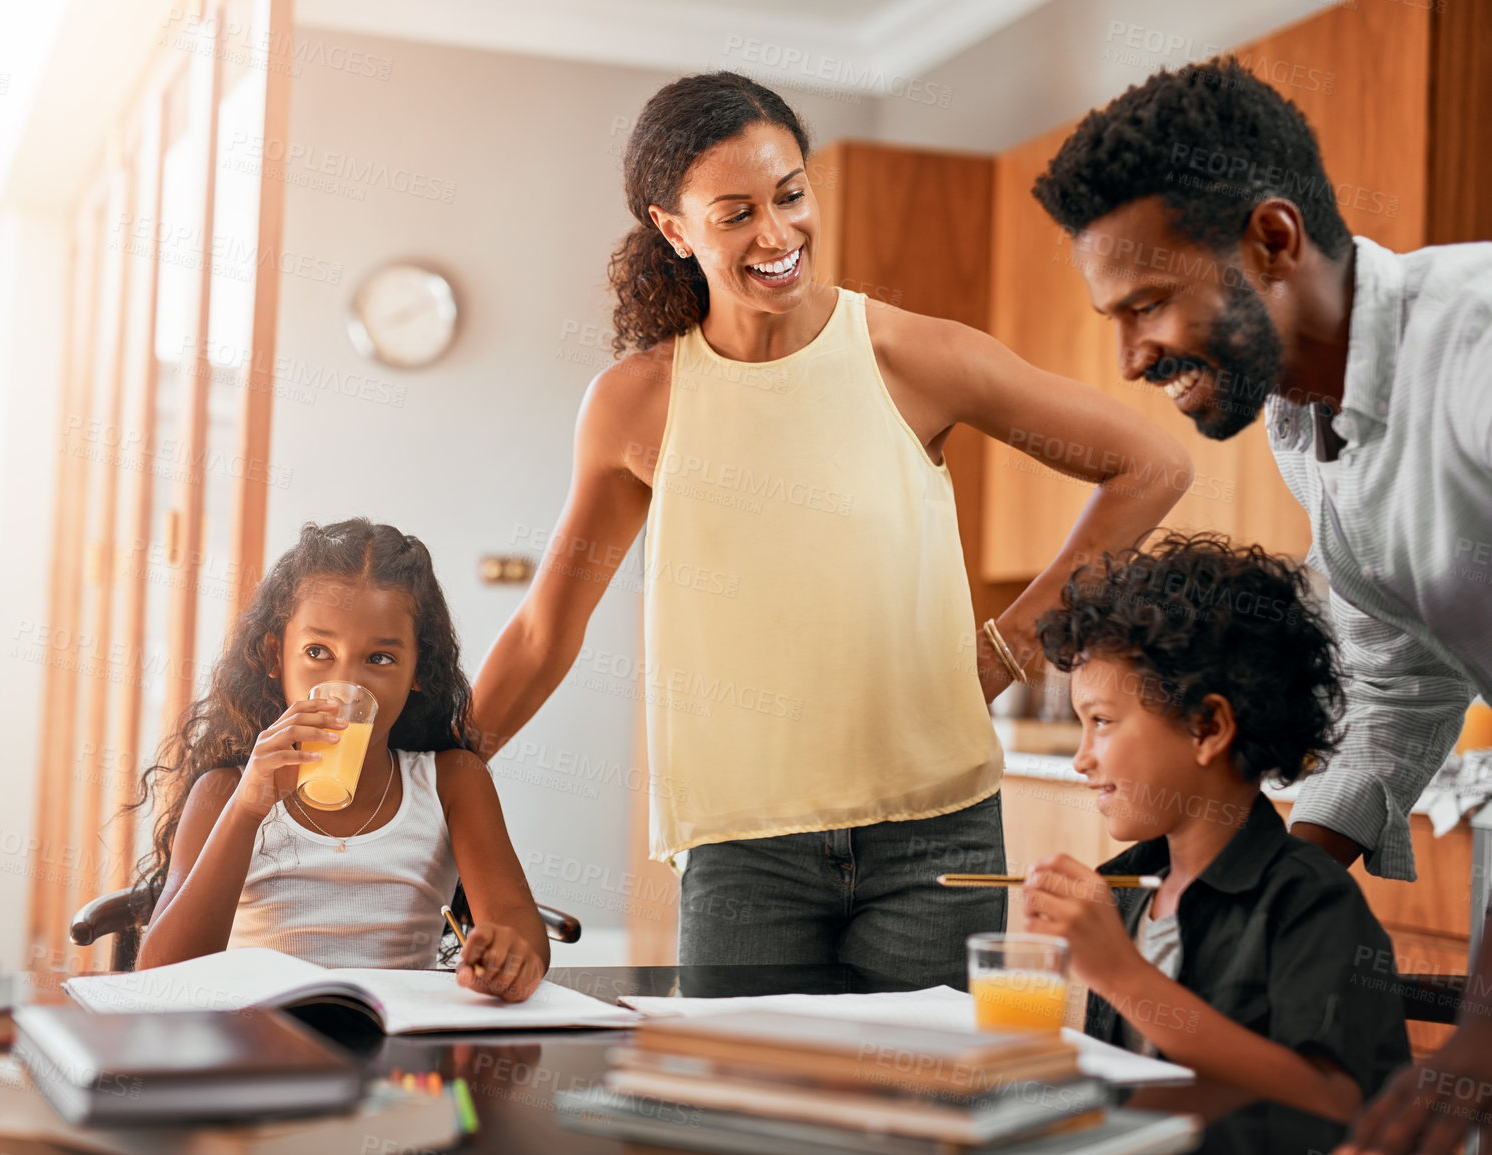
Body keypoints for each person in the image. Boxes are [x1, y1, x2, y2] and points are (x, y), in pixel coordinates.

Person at [470, 71, 1193, 988]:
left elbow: (1151, 464)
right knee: (746, 1125)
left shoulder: (910, 356)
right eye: (734, 213)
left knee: (920, 1121)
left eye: (791, 195)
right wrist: (434, 776)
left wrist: (1011, 643)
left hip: (933, 839)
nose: (776, 235)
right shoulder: (637, 406)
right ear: (673, 229)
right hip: (742, 851)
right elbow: (544, 630)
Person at [1030, 56, 1492, 1149]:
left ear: (1272, 242)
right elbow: (1398, 679)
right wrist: (1260, 881)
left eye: (1148, 304)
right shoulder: (1304, 421)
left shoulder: (1473, 354)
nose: (1132, 354)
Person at [1022, 533, 1409, 1121]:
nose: (1081, 757)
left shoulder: (1308, 902)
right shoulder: (1123, 891)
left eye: (1101, 721)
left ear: (1207, 727)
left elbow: (1333, 1100)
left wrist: (1120, 975)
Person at [130, 518, 548, 1003]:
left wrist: (509, 955)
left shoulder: (453, 783)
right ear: (274, 656)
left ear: (419, 669)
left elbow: (520, 928)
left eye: (380, 659)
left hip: (397, 1059)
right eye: (317, 651)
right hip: (261, 1050)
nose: (349, 685)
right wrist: (247, 808)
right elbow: (161, 975)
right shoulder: (226, 791)